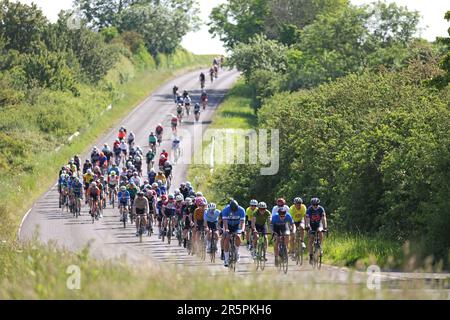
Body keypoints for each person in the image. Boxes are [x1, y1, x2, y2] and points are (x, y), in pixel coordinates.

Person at [221, 199, 245, 267]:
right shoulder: (225, 210)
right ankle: (226, 259)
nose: (234, 211)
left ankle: (236, 252)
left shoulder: (241, 210)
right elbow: (225, 222)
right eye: (232, 210)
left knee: (238, 237)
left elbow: (242, 222)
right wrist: (226, 230)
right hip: (228, 225)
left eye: (235, 210)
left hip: (236, 225)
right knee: (227, 238)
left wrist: (242, 230)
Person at [305, 198, 328, 265]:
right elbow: (307, 219)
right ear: (312, 204)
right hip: (311, 224)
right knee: (311, 239)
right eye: (314, 204)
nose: (315, 206)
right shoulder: (309, 209)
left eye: (317, 204)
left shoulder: (321, 209)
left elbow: (324, 218)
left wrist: (325, 227)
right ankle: (311, 256)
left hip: (319, 224)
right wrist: (308, 226)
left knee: (320, 231)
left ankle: (320, 245)